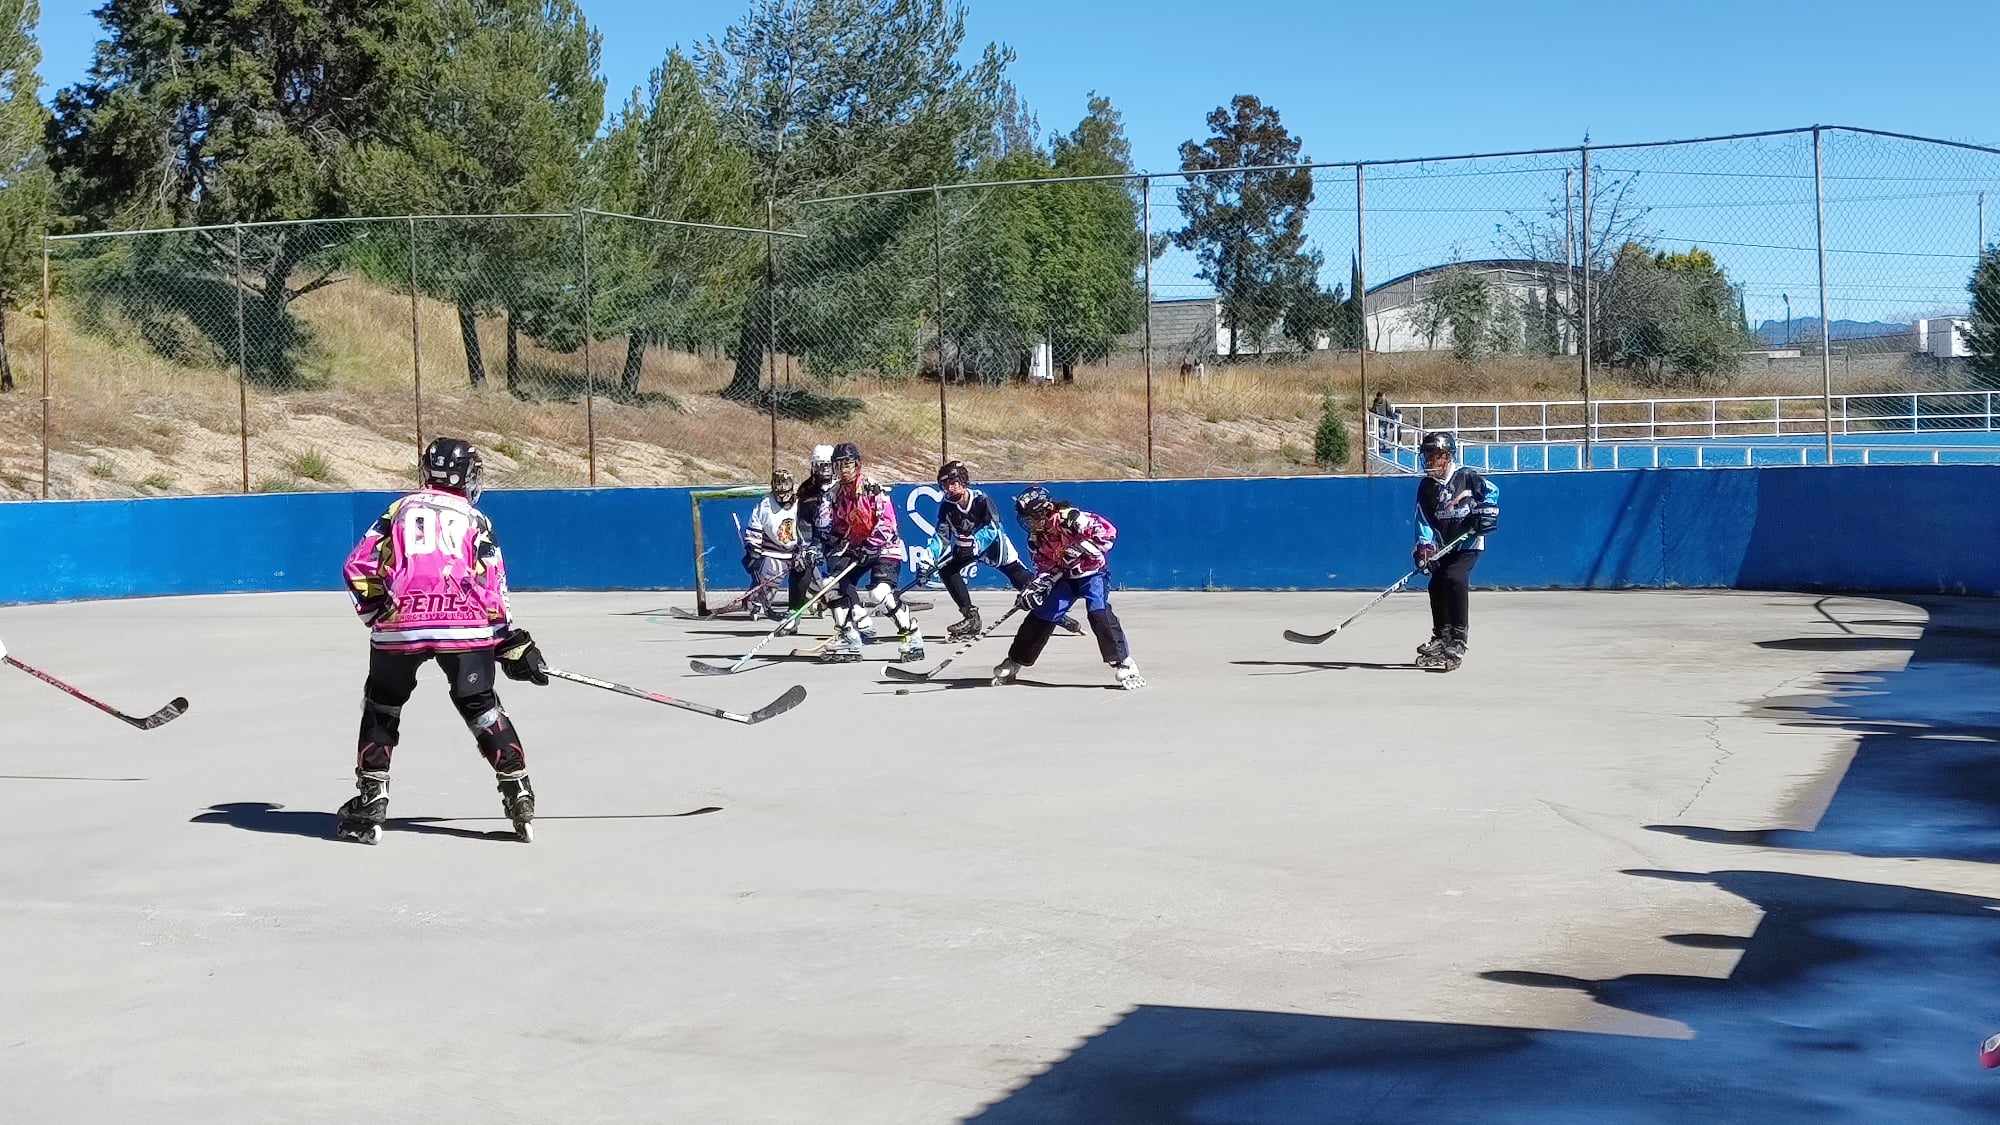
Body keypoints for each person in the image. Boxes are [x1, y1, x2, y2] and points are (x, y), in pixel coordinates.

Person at [337, 437, 548, 844]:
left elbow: (357, 566)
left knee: (383, 704)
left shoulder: (398, 510)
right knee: (481, 705)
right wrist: (508, 640)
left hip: (402, 624)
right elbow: (493, 585)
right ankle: (517, 789)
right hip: (463, 625)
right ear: (469, 476)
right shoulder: (476, 519)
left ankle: (371, 798)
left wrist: (378, 612)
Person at [993, 486, 1144, 690]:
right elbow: (1044, 567)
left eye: (1032, 517)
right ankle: (1016, 660)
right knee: (1043, 614)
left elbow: (1109, 534)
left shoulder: (1071, 519)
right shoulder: (1035, 539)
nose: (1029, 523)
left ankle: (1124, 661)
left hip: (1092, 574)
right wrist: (1035, 587)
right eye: (1026, 519)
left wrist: (1081, 548)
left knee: (1097, 611)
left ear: (1044, 511)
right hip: (1064, 579)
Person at [915, 460, 1080, 640]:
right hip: (966, 549)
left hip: (995, 549)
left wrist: (975, 543)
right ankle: (971, 617)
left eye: (953, 482)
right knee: (947, 570)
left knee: (1026, 585)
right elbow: (941, 537)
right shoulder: (947, 507)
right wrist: (927, 561)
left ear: (963, 481)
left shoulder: (981, 500)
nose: (950, 488)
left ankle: (1057, 615)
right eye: (945, 485)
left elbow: (993, 529)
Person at [820, 442, 922, 664]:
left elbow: (888, 523)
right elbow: (831, 526)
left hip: (885, 547)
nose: (843, 469)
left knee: (879, 593)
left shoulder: (871, 487)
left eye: (847, 463)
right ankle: (848, 636)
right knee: (830, 585)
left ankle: (910, 634)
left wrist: (870, 546)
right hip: (856, 548)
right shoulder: (834, 494)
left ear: (857, 464)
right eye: (838, 465)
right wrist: (823, 546)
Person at [1411, 431, 1499, 673]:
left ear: (1447, 456)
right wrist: (1425, 547)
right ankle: (1442, 635)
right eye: (1427, 456)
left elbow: (1492, 493)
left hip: (1468, 544)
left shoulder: (1466, 476)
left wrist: (1487, 512)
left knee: (1455, 578)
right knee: (1436, 584)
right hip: (1443, 547)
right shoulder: (1426, 487)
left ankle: (1458, 639)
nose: (1430, 461)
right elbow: (1424, 520)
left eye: (1435, 456)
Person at [741, 469, 800, 620]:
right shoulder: (764, 504)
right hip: (773, 552)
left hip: (797, 553)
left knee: (815, 583)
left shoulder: (800, 503)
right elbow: (755, 527)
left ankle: (820, 603)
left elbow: (807, 528)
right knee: (768, 582)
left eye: (784, 483)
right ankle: (755, 604)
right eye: (778, 483)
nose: (781, 488)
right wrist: (753, 549)